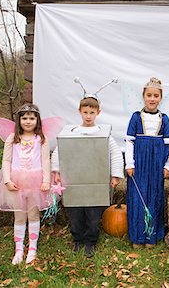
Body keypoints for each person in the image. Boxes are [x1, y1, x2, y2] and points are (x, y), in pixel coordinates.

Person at [51, 97, 124, 257]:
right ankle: (78, 239)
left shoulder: (104, 135)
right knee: (75, 214)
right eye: (85, 112)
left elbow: (115, 154)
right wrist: (56, 171)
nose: (88, 116)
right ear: (80, 112)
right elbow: (59, 151)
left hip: (95, 181)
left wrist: (115, 175)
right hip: (74, 181)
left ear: (98, 113)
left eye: (92, 112)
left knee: (93, 215)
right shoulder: (71, 133)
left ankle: (90, 241)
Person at [0, 104, 51, 265]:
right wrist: (7, 180)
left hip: (35, 182)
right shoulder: (12, 139)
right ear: (19, 120)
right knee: (19, 216)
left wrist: (46, 181)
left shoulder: (41, 139)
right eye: (24, 118)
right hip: (16, 181)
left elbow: (45, 161)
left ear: (37, 120)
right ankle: (19, 249)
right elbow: (6, 160)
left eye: (31, 118)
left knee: (33, 215)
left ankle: (33, 248)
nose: (28, 121)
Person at [125, 77, 169, 248]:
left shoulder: (165, 119)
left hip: (156, 162)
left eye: (156, 96)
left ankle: (151, 235)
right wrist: (129, 164)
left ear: (160, 98)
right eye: (149, 95)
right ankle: (138, 236)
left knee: (154, 196)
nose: (152, 99)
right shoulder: (136, 117)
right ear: (143, 96)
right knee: (138, 197)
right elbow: (129, 142)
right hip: (139, 162)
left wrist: (168, 165)